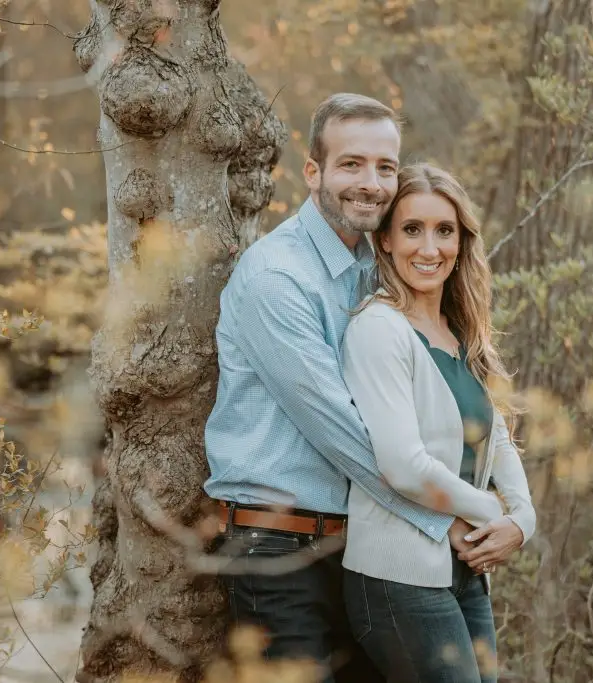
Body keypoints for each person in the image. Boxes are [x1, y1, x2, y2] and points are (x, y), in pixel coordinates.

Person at [203, 94, 453, 683]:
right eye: (351, 164)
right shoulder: (276, 276)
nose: (371, 183)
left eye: (385, 168)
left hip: (366, 546)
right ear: (312, 171)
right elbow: (340, 430)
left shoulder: (382, 269)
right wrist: (447, 515)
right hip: (278, 551)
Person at [340, 163, 536, 683]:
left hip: (465, 572)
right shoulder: (378, 330)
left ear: (461, 241)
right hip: (396, 576)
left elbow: (496, 437)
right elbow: (403, 465)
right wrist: (488, 511)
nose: (430, 248)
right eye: (412, 229)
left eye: (443, 231)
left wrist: (522, 521)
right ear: (384, 240)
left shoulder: (462, 332)